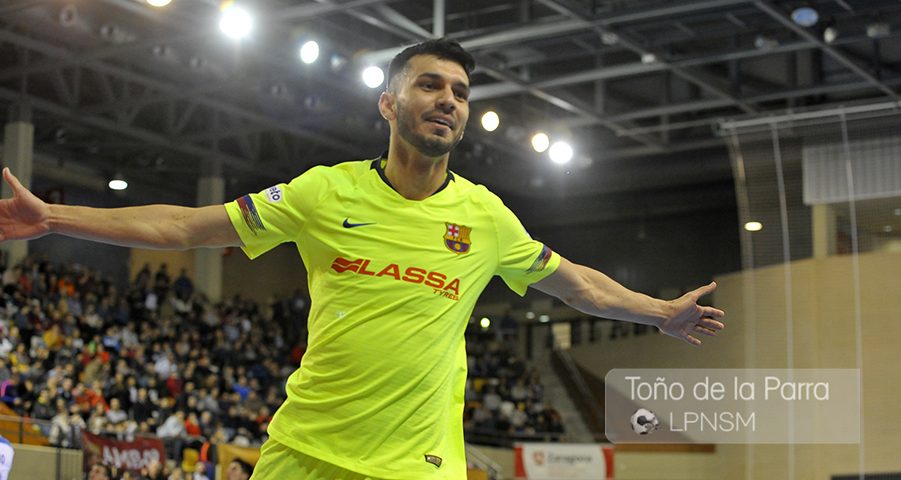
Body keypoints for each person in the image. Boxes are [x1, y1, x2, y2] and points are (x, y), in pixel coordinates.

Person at [0, 38, 725, 479]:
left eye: (461, 93)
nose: (448, 100)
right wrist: (54, 217)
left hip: (416, 468)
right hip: (305, 454)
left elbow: (577, 285)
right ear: (388, 104)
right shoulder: (322, 193)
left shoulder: (484, 217)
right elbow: (187, 227)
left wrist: (658, 311)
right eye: (430, 85)